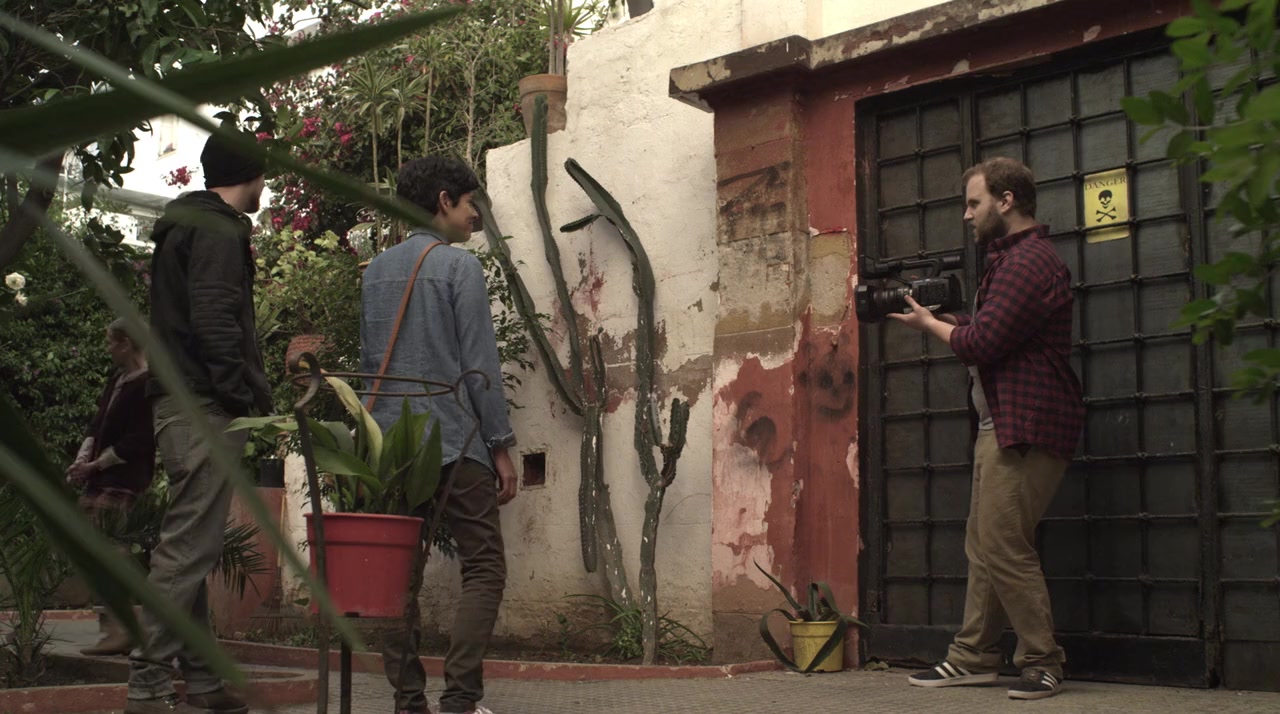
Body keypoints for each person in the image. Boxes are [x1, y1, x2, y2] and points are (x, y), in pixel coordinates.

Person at [890, 157, 1084, 701]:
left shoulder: (1029, 262)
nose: (967, 214)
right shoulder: (1013, 260)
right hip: (1002, 421)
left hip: (1024, 426)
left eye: (974, 203)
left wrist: (932, 326)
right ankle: (973, 656)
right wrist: (946, 320)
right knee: (983, 544)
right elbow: (989, 329)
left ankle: (1042, 660)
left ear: (1006, 200)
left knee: (1002, 544)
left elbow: (984, 343)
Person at [360, 156, 517, 714]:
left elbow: (371, 363)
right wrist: (500, 446)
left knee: (397, 577)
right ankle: (460, 700)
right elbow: (479, 367)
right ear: (445, 200)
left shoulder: (375, 272)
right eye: (471, 203)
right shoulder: (458, 266)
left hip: (391, 448)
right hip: (454, 440)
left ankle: (408, 701)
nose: (476, 215)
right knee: (485, 566)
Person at [125, 131, 273, 714]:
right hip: (203, 405)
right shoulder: (217, 229)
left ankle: (204, 680)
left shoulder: (187, 224)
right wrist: (238, 399)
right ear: (251, 174)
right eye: (264, 175)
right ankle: (148, 685)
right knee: (188, 547)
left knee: (192, 544)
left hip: (179, 403)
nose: (265, 187)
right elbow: (215, 320)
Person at [69, 318, 155, 657]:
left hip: (124, 479)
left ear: (125, 343)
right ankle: (119, 627)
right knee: (94, 548)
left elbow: (141, 438)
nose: (107, 349)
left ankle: (122, 629)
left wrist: (98, 464)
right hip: (100, 478)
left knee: (109, 551)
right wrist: (82, 460)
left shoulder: (147, 384)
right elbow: (98, 424)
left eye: (110, 342)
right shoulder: (117, 379)